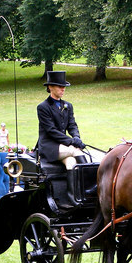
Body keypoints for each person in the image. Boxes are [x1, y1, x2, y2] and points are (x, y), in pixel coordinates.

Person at [37, 70, 85, 207]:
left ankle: (73, 197)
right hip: (49, 146)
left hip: (63, 146)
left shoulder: (67, 106)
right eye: (60, 86)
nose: (63, 89)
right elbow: (51, 131)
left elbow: (72, 125)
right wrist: (72, 142)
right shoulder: (43, 107)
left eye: (64, 86)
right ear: (50, 87)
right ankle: (90, 186)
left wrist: (76, 137)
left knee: (70, 162)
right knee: (76, 152)